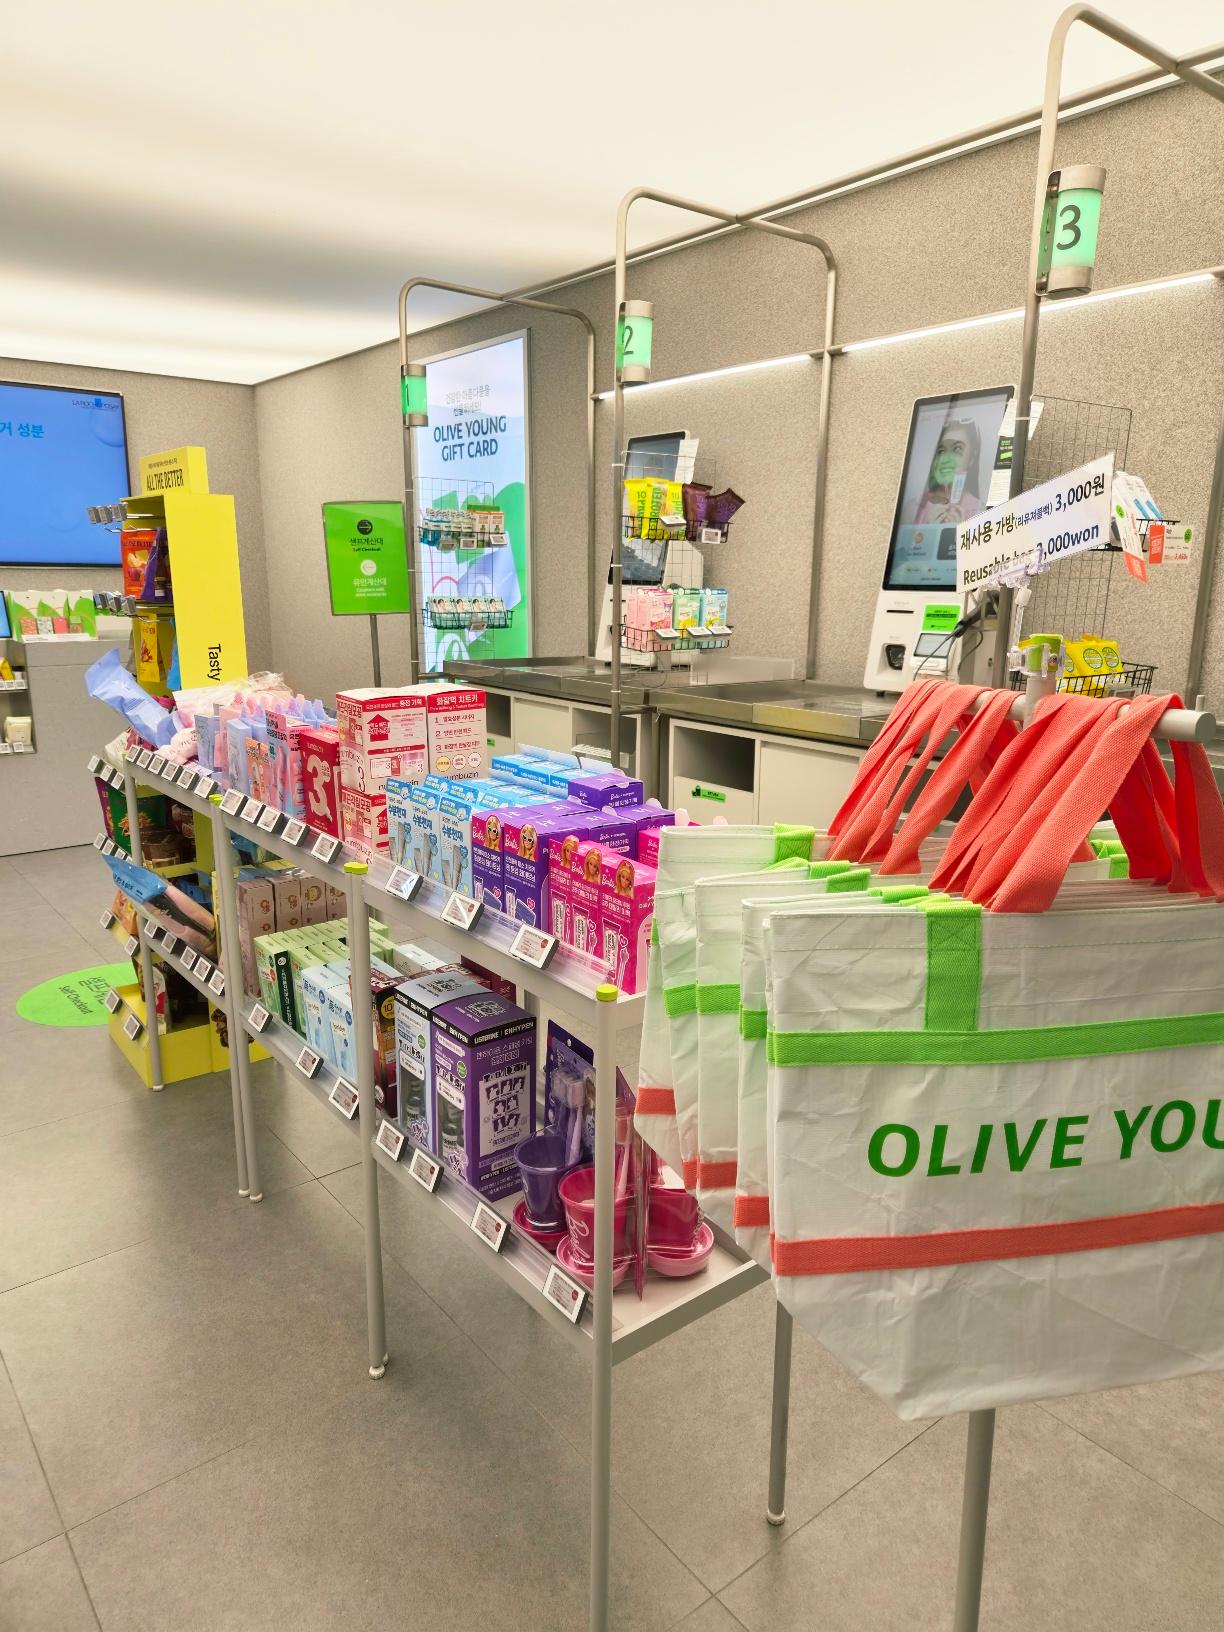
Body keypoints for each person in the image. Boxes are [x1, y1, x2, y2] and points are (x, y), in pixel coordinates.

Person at [905, 417, 984, 524]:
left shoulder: (982, 513)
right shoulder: (912, 510)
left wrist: (958, 532)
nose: (946, 459)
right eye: (941, 451)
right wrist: (929, 531)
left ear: (971, 458)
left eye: (957, 449)